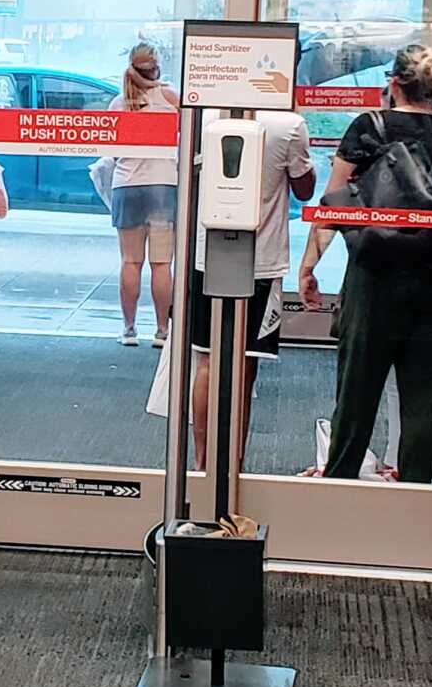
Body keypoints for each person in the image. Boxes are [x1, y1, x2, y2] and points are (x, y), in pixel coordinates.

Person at [299, 44, 432, 484]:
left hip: (373, 278)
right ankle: (415, 498)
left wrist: (309, 266)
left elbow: (333, 201)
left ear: (393, 83)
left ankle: (340, 489)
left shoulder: (370, 127)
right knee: (423, 401)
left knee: (356, 395)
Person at [191, 109, 315, 469]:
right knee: (245, 364)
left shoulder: (204, 115)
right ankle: (233, 462)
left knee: (208, 361)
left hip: (208, 253)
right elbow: (304, 189)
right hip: (262, 259)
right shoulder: (289, 124)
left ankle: (202, 464)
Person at [109, 41, 179, 348]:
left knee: (130, 262)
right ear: (157, 67)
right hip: (163, 186)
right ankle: (162, 331)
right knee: (161, 264)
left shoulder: (118, 103)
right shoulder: (171, 98)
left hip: (126, 186)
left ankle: (128, 329)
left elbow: (110, 153)